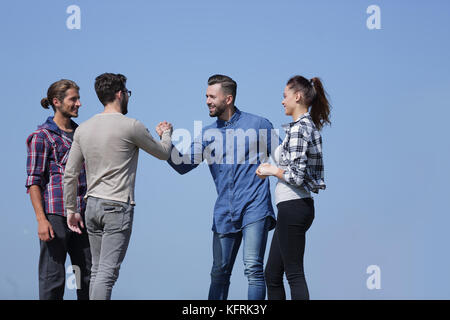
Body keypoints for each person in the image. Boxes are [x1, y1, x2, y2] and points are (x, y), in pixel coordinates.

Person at [162, 74, 278, 300]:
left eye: (212, 96)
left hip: (255, 207)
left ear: (228, 99)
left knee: (253, 268)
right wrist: (166, 141)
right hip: (224, 212)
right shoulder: (206, 134)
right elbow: (184, 165)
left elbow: (282, 158)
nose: (207, 101)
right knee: (219, 273)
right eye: (206, 96)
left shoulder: (259, 125)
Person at [63, 73, 173, 300]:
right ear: (120, 94)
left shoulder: (83, 129)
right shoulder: (131, 126)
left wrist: (70, 210)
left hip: (91, 205)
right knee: (107, 273)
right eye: (127, 94)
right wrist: (167, 134)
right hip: (117, 205)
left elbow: (70, 173)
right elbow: (163, 154)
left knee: (96, 271)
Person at [256, 75, 330, 300]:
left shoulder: (300, 129)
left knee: (294, 273)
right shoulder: (300, 127)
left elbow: (296, 176)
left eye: (284, 96)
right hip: (292, 207)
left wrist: (271, 170)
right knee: (272, 274)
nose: (282, 101)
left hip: (294, 206)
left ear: (297, 97)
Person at [25, 79, 91, 300]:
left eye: (78, 99)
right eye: (73, 99)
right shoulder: (42, 137)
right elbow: (34, 181)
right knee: (52, 279)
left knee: (88, 279)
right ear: (57, 102)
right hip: (55, 216)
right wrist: (41, 220)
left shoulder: (82, 135)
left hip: (82, 215)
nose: (79, 104)